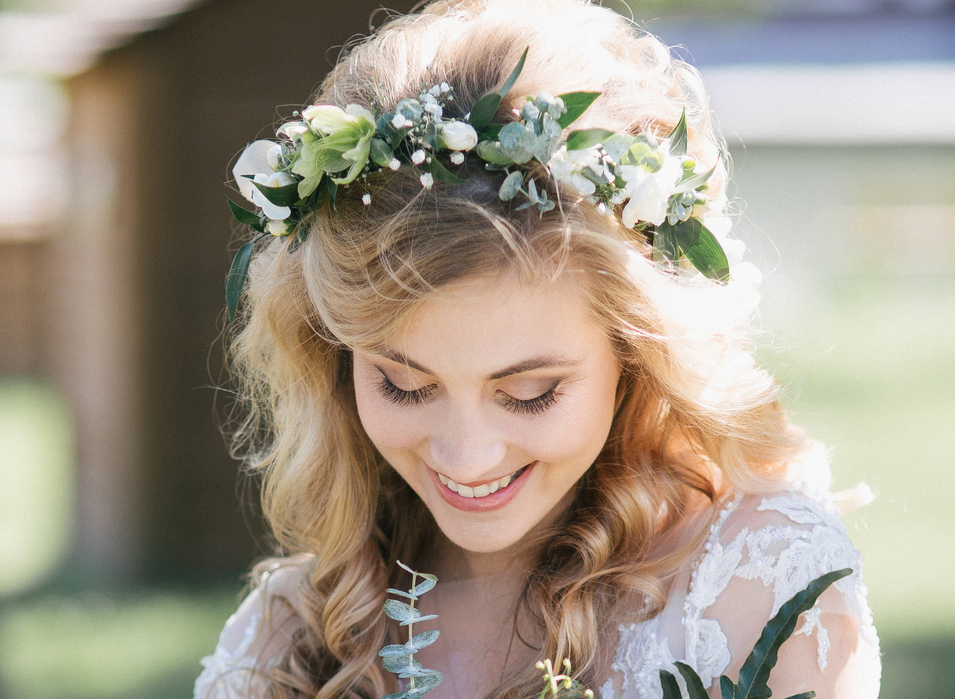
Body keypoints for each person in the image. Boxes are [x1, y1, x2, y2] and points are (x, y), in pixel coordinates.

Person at [195, 0, 881, 697]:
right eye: (404, 383)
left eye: (529, 393)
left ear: (633, 350)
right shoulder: (291, 634)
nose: (468, 457)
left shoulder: (758, 589)